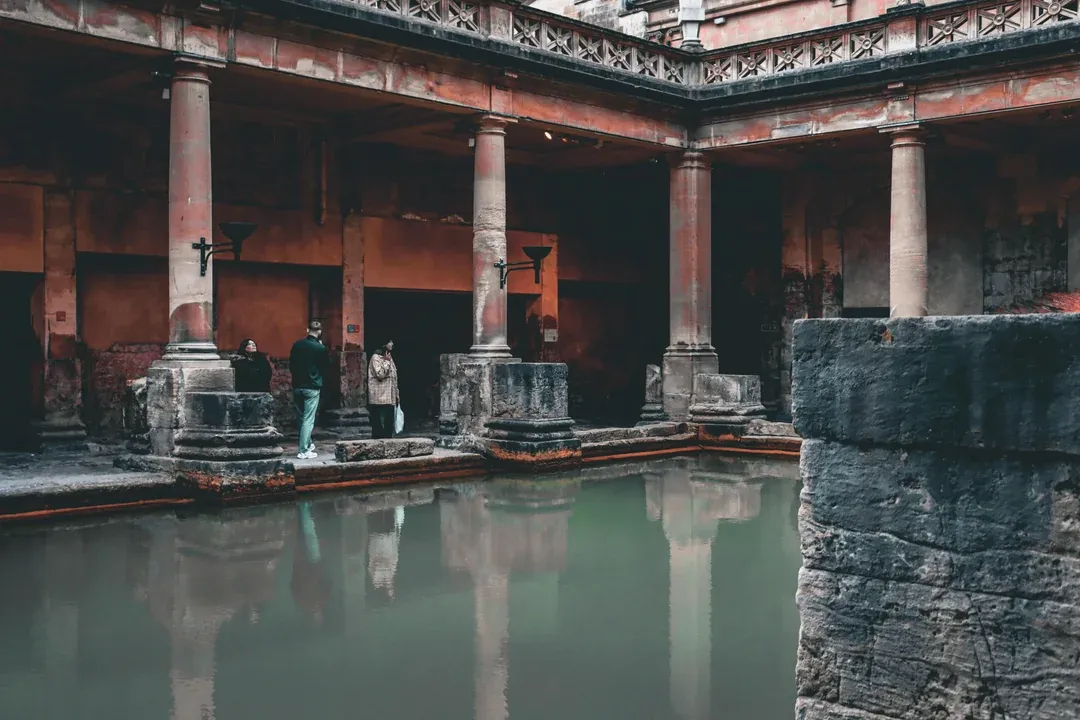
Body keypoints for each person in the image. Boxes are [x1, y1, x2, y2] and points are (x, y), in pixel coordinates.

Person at [289, 321, 329, 460]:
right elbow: (325, 367)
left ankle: (308, 443)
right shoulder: (320, 348)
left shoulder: (297, 345)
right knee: (308, 419)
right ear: (319, 331)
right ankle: (303, 450)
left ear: (307, 330)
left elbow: (291, 364)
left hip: (297, 385)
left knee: (301, 418)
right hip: (312, 386)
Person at [367, 341, 399, 440]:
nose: (392, 344)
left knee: (389, 424)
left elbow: (394, 377)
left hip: (390, 396)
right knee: (380, 426)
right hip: (380, 397)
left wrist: (397, 393)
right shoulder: (376, 358)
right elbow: (380, 374)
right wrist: (386, 362)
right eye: (390, 342)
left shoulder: (388, 356)